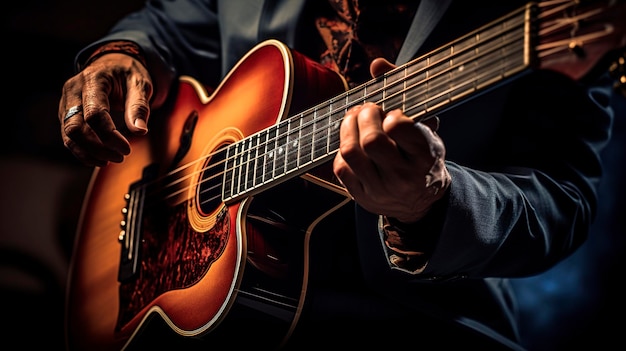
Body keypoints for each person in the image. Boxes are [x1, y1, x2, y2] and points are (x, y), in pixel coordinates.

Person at [58, 0, 619, 350]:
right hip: (221, 305)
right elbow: (175, 17)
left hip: (410, 320)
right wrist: (123, 52)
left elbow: (561, 198)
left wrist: (433, 203)